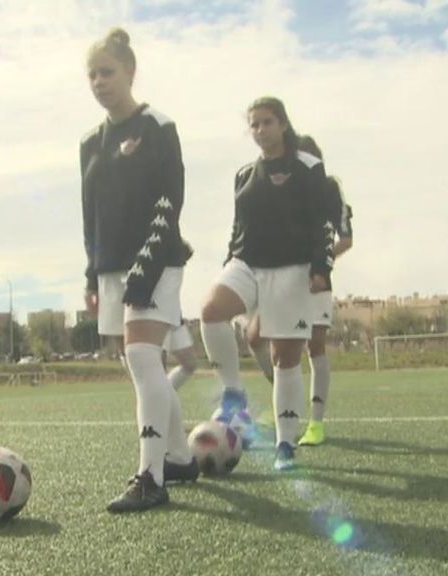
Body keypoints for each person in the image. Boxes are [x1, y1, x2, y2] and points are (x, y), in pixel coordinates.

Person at [81, 28, 196, 513]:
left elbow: (170, 201)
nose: (99, 82)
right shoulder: (89, 143)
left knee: (146, 360)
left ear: (130, 71)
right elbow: (90, 216)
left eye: (107, 72)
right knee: (139, 365)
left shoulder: (158, 127)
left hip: (156, 260)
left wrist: (144, 270)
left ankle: (151, 479)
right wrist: (92, 276)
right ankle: (181, 459)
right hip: (111, 269)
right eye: (92, 75)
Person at [200, 97, 342, 471]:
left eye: (266, 122)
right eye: (254, 124)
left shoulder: (309, 167)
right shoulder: (244, 174)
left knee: (285, 360)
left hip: (292, 270)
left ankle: (285, 445)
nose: (260, 130)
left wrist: (320, 268)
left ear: (282, 124)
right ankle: (234, 394)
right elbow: (238, 225)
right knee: (211, 310)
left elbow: (324, 224)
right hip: (247, 263)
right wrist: (229, 257)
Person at [245, 135, 354, 447]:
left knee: (314, 347)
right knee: (254, 337)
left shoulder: (328, 188)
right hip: (279, 279)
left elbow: (346, 239)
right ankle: (283, 398)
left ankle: (316, 423)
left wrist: (320, 263)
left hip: (315, 280)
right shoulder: (274, 188)